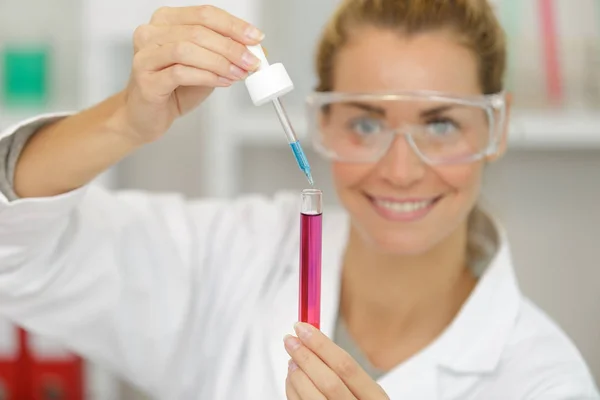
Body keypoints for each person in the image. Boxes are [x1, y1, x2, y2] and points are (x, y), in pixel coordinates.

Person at [0, 0, 598, 399]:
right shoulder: (236, 258)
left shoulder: (544, 379)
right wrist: (125, 122)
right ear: (324, 123)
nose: (399, 170)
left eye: (440, 125)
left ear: (495, 127)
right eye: (365, 123)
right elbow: (19, 253)